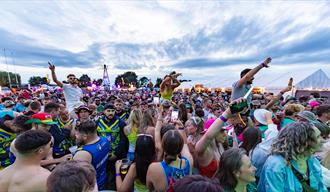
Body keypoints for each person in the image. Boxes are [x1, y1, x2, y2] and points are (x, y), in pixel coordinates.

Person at [258, 122, 327, 191]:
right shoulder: (276, 165)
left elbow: (320, 188)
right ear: (304, 141)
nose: (323, 140)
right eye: (318, 137)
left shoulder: (310, 159)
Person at [73, 120, 110, 190]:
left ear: (85, 136)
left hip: (92, 187)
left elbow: (77, 179)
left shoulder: (83, 154)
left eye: (77, 134)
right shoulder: (105, 140)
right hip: (103, 180)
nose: (75, 136)